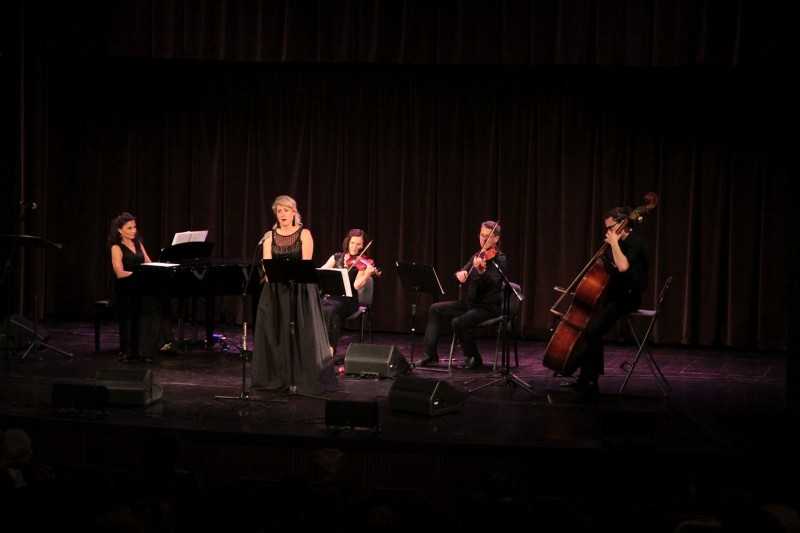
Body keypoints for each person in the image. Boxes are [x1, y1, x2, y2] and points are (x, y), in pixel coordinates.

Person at [250, 195, 337, 394]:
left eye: (286, 210)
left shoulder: (304, 234)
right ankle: (279, 377)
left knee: (302, 334)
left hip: (300, 291)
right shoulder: (269, 236)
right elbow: (267, 266)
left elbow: (305, 265)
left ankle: (302, 378)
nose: (282, 214)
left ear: (294, 212)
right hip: (275, 291)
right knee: (275, 332)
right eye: (279, 211)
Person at [561, 206, 649, 401]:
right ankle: (583, 378)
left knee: (593, 332)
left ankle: (591, 381)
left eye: (611, 227)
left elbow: (623, 266)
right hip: (615, 295)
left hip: (628, 298)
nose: (609, 231)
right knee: (587, 330)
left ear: (623, 223)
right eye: (607, 228)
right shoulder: (621, 242)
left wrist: (614, 243)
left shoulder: (635, 242)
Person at [418, 221, 507, 369]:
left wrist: (482, 272)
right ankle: (430, 353)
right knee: (434, 308)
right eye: (482, 235)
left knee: (458, 322)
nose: (484, 239)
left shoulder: (500, 259)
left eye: (488, 236)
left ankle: (474, 356)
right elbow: (461, 272)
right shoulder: (477, 256)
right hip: (471, 303)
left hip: (489, 307)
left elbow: (493, 284)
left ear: (496, 238)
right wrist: (459, 274)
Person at [108, 212, 172, 361]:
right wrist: (137, 275)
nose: (133, 231)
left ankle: (156, 344)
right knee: (147, 301)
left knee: (158, 299)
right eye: (129, 228)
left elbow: (148, 263)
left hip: (138, 285)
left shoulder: (138, 244)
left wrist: (161, 267)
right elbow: (119, 273)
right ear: (119, 230)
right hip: (123, 288)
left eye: (134, 227)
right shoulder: (116, 247)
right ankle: (140, 347)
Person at [320, 229, 378, 359]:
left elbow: (357, 285)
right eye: (352, 243)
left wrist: (367, 275)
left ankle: (329, 350)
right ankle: (315, 348)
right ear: (348, 242)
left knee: (331, 310)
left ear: (363, 246)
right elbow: (321, 272)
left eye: (358, 244)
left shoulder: (362, 263)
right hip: (331, 297)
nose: (355, 246)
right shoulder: (336, 257)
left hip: (349, 300)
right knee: (318, 307)